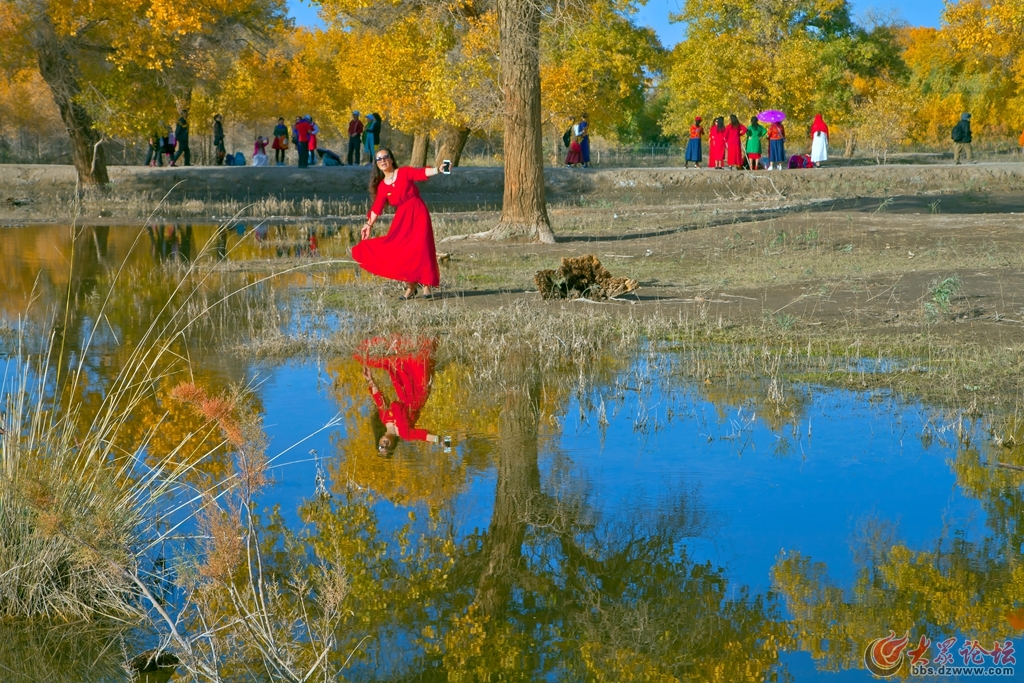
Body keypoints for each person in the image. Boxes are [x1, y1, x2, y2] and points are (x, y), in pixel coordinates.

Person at [354, 148, 444, 300]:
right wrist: (368, 225)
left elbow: (421, 173)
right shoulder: (382, 186)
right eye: (379, 159)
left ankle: (426, 285)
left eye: (385, 157)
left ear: (391, 159)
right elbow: (377, 207)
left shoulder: (404, 172)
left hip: (418, 211)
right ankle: (411, 287)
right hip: (402, 217)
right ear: (376, 164)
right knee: (402, 249)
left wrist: (438, 169)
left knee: (422, 247)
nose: (382, 160)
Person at [357, 337, 441, 455]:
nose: (384, 445)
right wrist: (445, 442)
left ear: (379, 441)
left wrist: (370, 380)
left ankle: (409, 338)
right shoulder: (405, 434)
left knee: (399, 364)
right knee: (419, 365)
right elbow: (424, 436)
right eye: (387, 448)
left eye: (381, 446)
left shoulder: (384, 418)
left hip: (404, 392)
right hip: (416, 398)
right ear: (393, 446)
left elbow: (379, 399)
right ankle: (426, 339)